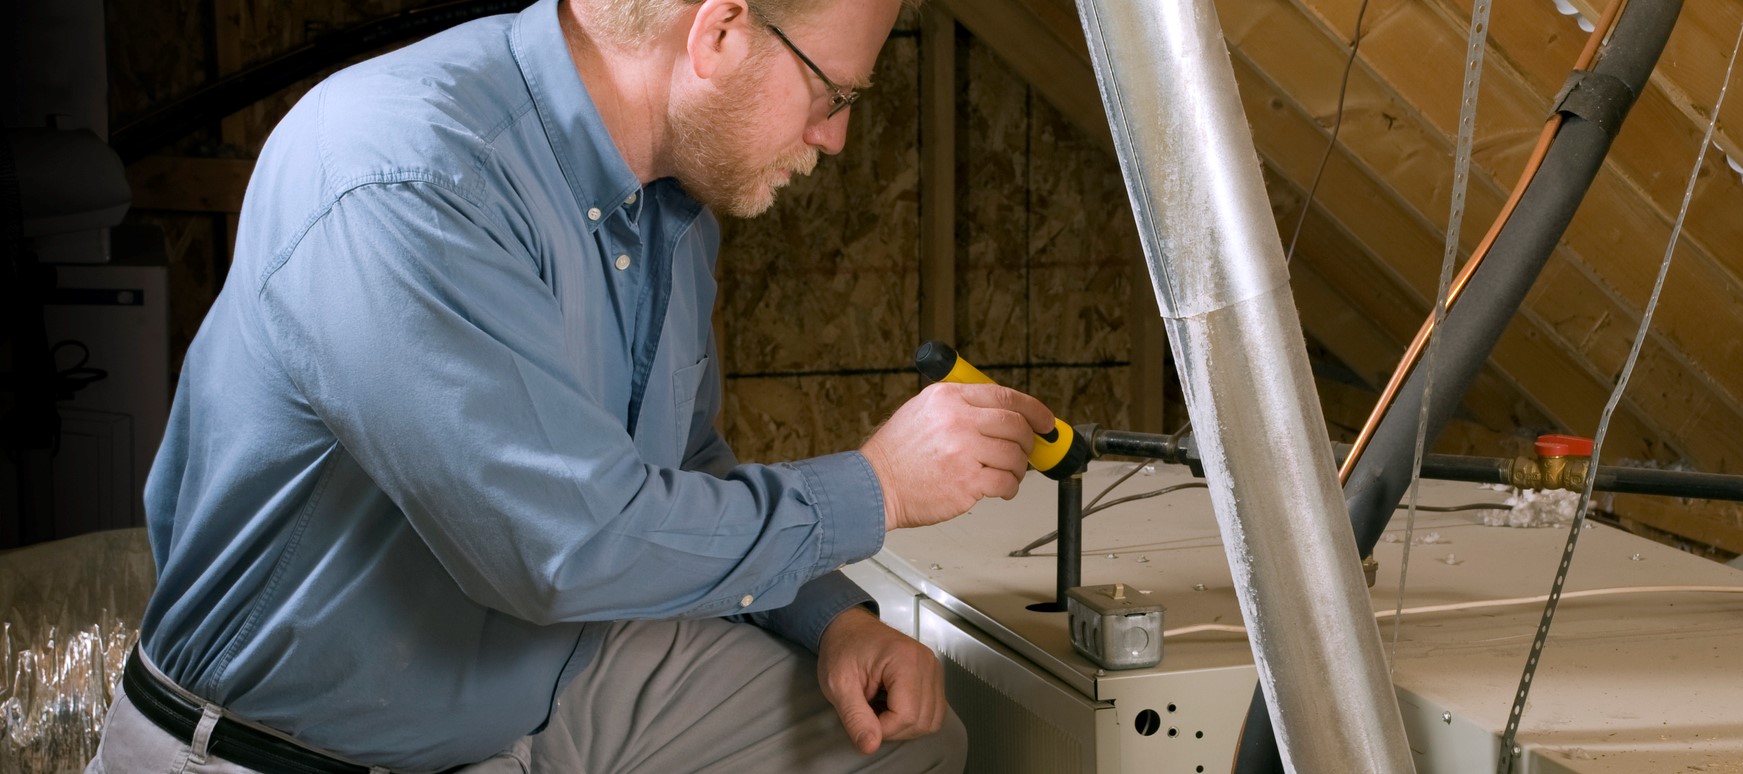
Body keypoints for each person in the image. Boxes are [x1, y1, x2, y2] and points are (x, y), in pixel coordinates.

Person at [87, 0, 1054, 771]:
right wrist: (877, 487)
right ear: (717, 34)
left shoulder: (668, 200)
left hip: (538, 683)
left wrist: (830, 618)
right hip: (292, 751)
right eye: (833, 95)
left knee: (905, 746)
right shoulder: (404, 174)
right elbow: (561, 549)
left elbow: (680, 467)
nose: (833, 138)